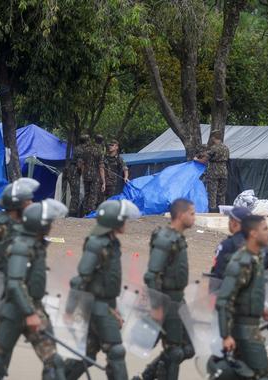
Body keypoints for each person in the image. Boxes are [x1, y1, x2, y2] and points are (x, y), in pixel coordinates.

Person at [0, 199, 68, 380]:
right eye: (49, 222)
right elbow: (15, 284)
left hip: (35, 309)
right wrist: (29, 313)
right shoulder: (21, 247)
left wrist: (34, 311)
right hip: (15, 311)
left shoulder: (36, 244)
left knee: (54, 363)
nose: (52, 226)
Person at [64, 199, 140, 380]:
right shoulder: (96, 244)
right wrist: (69, 310)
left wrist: (115, 310)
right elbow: (80, 280)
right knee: (116, 351)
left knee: (87, 354)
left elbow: (107, 283)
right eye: (123, 220)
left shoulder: (112, 243)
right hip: (96, 308)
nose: (125, 223)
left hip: (106, 306)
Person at [213, 215, 268, 379]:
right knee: (262, 374)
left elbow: (245, 295)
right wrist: (226, 335)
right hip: (244, 331)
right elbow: (224, 301)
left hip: (251, 327)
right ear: (253, 234)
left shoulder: (255, 259)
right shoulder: (241, 262)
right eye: (265, 229)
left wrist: (262, 310)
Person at [138, 199, 196, 380]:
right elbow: (151, 275)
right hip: (167, 300)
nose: (194, 217)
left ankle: (148, 375)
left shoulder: (177, 237)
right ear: (180, 215)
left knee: (190, 347)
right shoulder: (165, 238)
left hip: (179, 299)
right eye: (192, 213)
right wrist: (157, 306)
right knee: (175, 351)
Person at [211, 207, 268, 279]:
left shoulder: (227, 245)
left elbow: (217, 275)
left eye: (230, 220)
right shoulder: (263, 246)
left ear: (234, 223)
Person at [205, 131, 230, 212]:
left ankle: (212, 211)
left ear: (213, 138)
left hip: (214, 172)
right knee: (222, 194)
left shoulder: (214, 148)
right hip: (224, 172)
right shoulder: (226, 148)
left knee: (212, 193)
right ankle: (222, 211)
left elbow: (206, 157)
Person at [82, 135, 105, 215]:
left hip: (85, 175)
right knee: (93, 194)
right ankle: (90, 213)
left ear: (94, 140)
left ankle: (84, 213)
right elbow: (101, 167)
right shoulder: (100, 151)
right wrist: (103, 181)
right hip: (95, 176)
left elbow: (82, 164)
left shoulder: (86, 149)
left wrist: (83, 174)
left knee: (87, 194)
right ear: (101, 142)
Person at [68, 135, 88, 217]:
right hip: (75, 172)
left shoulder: (78, 148)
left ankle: (76, 213)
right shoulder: (81, 149)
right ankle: (73, 214)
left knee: (77, 194)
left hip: (74, 171)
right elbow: (80, 163)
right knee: (75, 194)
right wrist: (83, 173)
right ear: (86, 141)